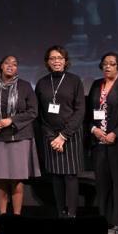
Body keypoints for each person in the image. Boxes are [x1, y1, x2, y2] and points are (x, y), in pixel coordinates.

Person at [0, 55, 40, 215]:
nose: (11, 66)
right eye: (7, 63)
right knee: (0, 179)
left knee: (16, 179)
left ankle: (16, 217)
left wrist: (11, 120)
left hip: (19, 137)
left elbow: (33, 111)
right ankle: (2, 216)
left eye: (14, 64)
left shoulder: (25, 86)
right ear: (1, 66)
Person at [35, 45, 85, 218]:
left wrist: (63, 136)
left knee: (70, 175)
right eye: (53, 58)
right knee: (56, 176)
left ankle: (71, 214)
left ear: (65, 61)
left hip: (70, 135)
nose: (56, 61)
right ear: (47, 62)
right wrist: (51, 137)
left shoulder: (75, 80)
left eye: (60, 58)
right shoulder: (42, 82)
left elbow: (80, 110)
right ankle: (60, 213)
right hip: (50, 136)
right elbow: (39, 113)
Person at [86, 52, 118, 227]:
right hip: (99, 144)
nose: (107, 66)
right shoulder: (95, 85)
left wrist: (116, 133)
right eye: (105, 63)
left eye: (112, 64)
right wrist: (94, 129)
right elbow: (88, 113)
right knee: (103, 184)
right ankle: (105, 221)